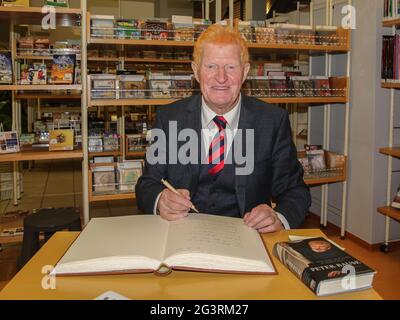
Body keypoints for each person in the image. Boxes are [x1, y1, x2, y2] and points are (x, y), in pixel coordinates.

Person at [136, 24, 311, 233]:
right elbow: (147, 184)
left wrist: (279, 217)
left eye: (231, 67)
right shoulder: (169, 118)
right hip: (181, 237)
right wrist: (160, 199)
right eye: (210, 66)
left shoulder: (273, 121)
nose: (221, 78)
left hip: (247, 240)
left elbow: (296, 191)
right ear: (196, 71)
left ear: (245, 72)